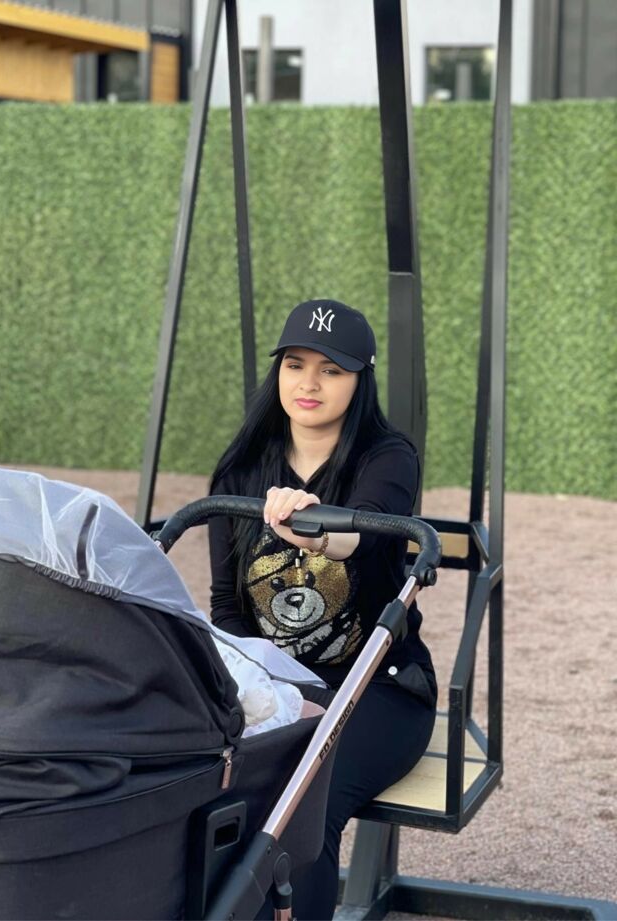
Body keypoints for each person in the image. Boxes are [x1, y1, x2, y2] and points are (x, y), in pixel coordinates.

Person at [208, 298, 436, 920]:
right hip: (279, 685)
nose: (309, 383)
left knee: (305, 798)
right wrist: (274, 687)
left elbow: (368, 535)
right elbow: (227, 607)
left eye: (331, 370)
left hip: (377, 688)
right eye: (295, 364)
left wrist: (316, 531)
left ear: (360, 380)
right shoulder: (241, 469)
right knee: (207, 788)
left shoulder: (387, 457)